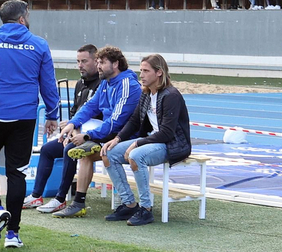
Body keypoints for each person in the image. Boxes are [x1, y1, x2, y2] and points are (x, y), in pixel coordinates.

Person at [0, 0, 61, 250]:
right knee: (17, 173)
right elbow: (49, 84)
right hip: (25, 117)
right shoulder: (39, 45)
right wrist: (52, 115)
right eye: (28, 14)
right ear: (21, 18)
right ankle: (13, 234)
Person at [52, 45, 141, 218]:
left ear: (115, 64)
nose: (98, 66)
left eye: (102, 62)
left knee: (93, 149)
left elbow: (116, 121)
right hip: (111, 135)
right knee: (84, 152)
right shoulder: (106, 84)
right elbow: (90, 106)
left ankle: (130, 203)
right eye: (98, 62)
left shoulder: (127, 84)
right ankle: (78, 203)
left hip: (127, 137)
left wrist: (88, 135)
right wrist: (72, 123)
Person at [103, 54, 192, 225]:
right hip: (154, 141)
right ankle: (129, 203)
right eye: (140, 70)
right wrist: (117, 138)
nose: (141, 75)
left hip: (172, 144)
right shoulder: (146, 94)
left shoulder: (171, 95)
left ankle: (146, 209)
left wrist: (137, 143)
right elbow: (135, 121)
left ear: (159, 73)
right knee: (109, 153)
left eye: (146, 71)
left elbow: (167, 133)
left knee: (136, 155)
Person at [26, 44, 101, 213]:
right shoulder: (80, 85)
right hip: (76, 133)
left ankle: (60, 199)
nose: (80, 65)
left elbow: (99, 117)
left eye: (84, 61)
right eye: (78, 61)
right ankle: (36, 195)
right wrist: (69, 127)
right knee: (47, 149)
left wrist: (73, 130)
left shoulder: (103, 85)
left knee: (69, 149)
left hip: (94, 137)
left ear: (97, 61)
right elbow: (75, 113)